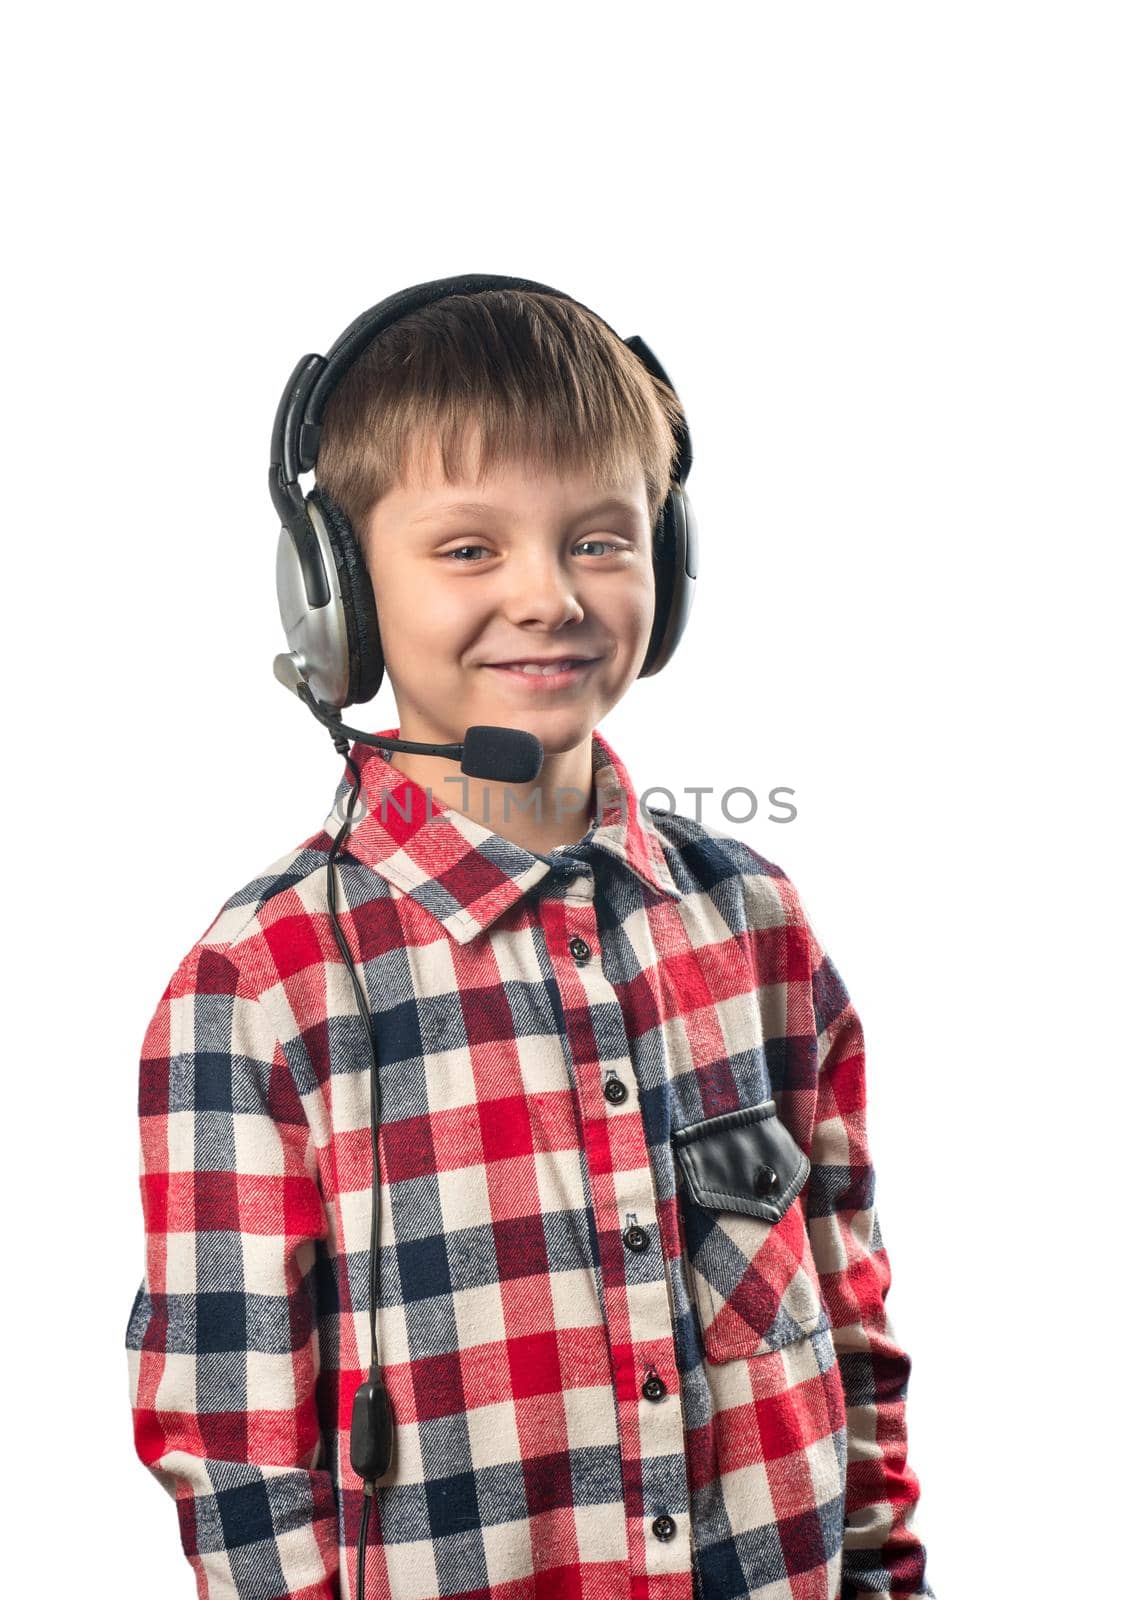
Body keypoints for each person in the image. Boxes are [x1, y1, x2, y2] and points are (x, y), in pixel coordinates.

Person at [125, 275, 935, 1600]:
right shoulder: (259, 989)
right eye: (466, 549)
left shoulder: (758, 927)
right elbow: (235, 1451)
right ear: (331, 595)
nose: (548, 595)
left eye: (600, 541)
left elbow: (848, 1325)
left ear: (663, 569)